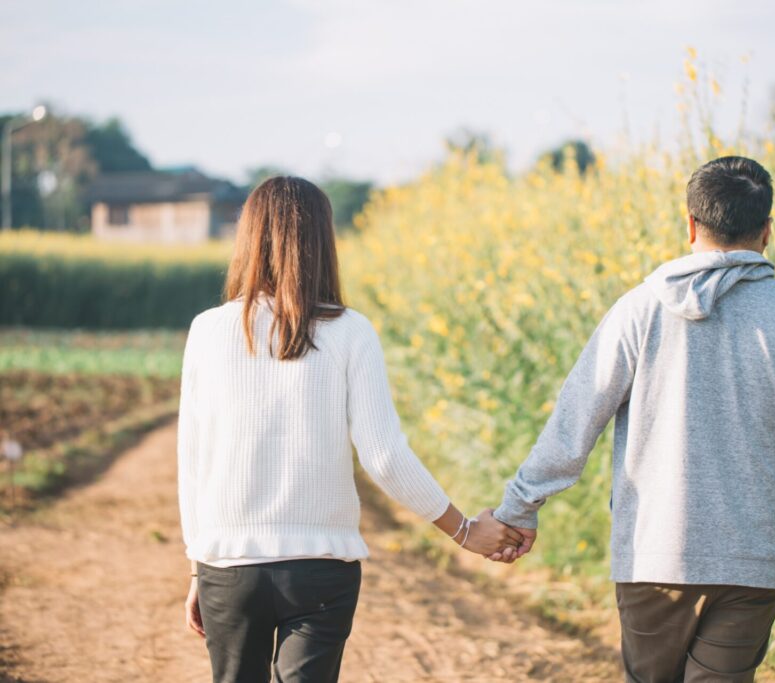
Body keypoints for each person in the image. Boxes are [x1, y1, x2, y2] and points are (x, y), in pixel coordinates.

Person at [492, 156, 775, 683]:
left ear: (690, 224)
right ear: (768, 231)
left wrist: (519, 507)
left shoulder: (639, 311)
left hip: (656, 556)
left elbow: (575, 421)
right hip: (756, 563)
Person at [177, 176, 522, 683]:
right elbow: (383, 456)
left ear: (247, 238)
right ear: (322, 242)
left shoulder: (207, 330)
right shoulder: (351, 332)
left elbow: (193, 460)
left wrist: (197, 564)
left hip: (229, 568)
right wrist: (464, 531)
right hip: (322, 569)